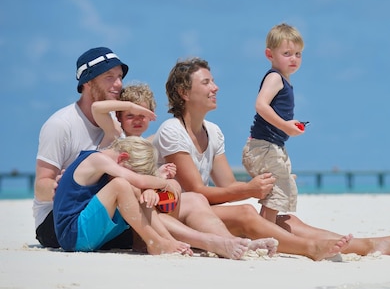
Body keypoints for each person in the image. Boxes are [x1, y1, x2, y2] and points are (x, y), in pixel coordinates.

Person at [153, 57, 390, 260]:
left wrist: (267, 181)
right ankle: (311, 248)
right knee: (246, 213)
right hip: (176, 214)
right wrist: (249, 189)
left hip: (204, 211)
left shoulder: (214, 132)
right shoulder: (172, 130)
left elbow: (227, 187)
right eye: (206, 82)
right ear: (184, 92)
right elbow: (196, 191)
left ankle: (366, 245)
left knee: (288, 220)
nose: (216, 87)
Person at [93, 82, 279, 259]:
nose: (137, 120)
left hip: (142, 206)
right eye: (130, 115)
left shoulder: (150, 144)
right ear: (119, 116)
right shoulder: (116, 136)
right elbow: (98, 109)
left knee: (192, 196)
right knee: (162, 200)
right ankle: (209, 242)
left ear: (151, 115)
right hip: (123, 213)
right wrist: (132, 106)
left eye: (143, 115)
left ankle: (231, 241)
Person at [34, 47, 134, 249]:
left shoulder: (114, 123)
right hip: (57, 222)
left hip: (100, 209)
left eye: (120, 77)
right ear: (87, 82)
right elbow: (40, 187)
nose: (118, 84)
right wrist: (62, 186)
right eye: (109, 77)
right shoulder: (61, 125)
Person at [53, 136, 192, 255]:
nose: (130, 175)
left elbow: (138, 184)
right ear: (123, 158)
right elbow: (139, 180)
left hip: (86, 234)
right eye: (132, 171)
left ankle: (167, 239)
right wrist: (164, 183)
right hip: (72, 235)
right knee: (121, 185)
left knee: (134, 189)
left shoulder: (104, 164)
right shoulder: (97, 159)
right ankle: (153, 241)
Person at [242, 23, 306, 224]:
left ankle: (267, 227)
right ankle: (266, 230)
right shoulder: (275, 78)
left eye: (298, 54)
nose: (294, 58)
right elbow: (261, 105)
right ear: (269, 55)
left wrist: (289, 124)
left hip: (271, 146)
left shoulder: (283, 80)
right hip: (265, 146)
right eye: (287, 53)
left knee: (280, 188)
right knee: (277, 191)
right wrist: (286, 126)